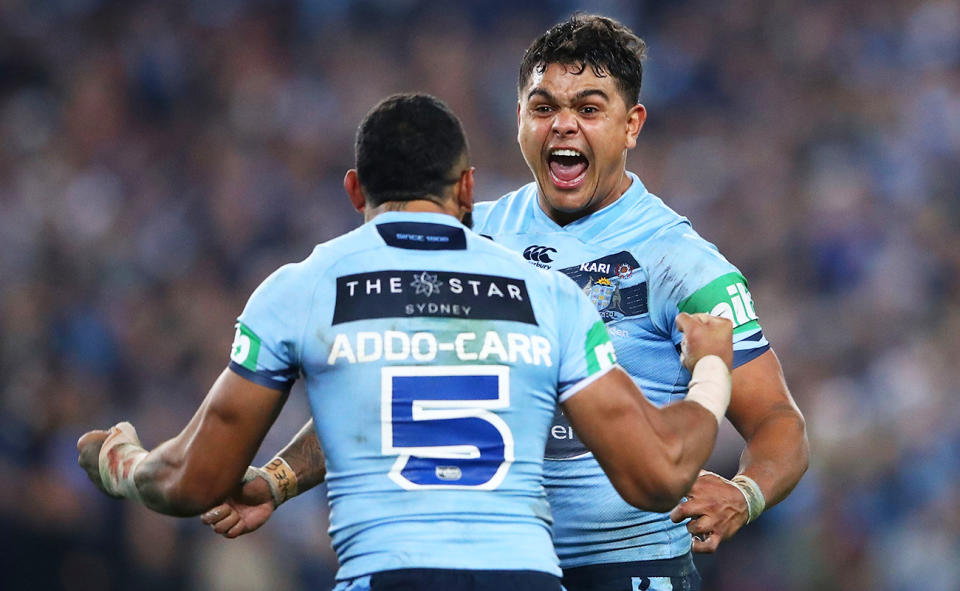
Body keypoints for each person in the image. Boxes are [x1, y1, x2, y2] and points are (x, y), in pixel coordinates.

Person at [204, 15, 809, 591]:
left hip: (631, 566)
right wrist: (279, 479)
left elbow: (779, 422)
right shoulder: (474, 239)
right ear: (519, 118)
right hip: (502, 566)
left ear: (632, 125)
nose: (564, 125)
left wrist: (747, 492)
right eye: (544, 107)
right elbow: (389, 379)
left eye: (590, 108)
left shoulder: (684, 264)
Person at [78, 93, 737, 591]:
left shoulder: (302, 287)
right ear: (468, 189)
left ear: (355, 189)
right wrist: (710, 367)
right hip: (526, 576)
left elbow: (196, 479)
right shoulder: (549, 296)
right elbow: (657, 475)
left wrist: (123, 460)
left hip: (390, 572)